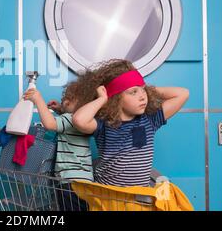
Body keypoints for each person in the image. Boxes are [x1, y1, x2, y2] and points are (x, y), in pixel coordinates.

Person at [72, 59, 189, 187]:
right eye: (133, 92)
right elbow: (79, 120)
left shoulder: (149, 120)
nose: (142, 96)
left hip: (139, 198)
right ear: (116, 98)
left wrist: (145, 88)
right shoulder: (104, 125)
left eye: (143, 90)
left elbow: (183, 94)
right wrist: (103, 98)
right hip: (109, 197)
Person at [23, 71, 97, 210]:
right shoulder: (82, 121)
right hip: (83, 181)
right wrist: (60, 110)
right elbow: (68, 125)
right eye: (65, 98)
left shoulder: (71, 118)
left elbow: (50, 124)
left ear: (83, 106)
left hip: (70, 181)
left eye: (69, 98)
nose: (65, 101)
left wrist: (38, 100)